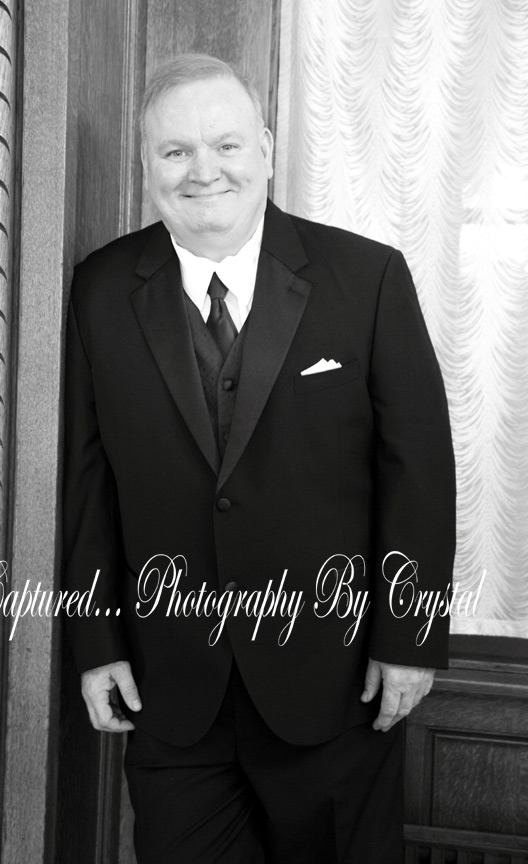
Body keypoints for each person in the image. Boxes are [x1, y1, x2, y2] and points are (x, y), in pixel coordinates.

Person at [63, 53, 456, 863]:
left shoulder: (367, 278)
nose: (203, 170)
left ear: (267, 150)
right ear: (147, 164)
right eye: (176, 151)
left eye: (226, 145)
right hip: (173, 697)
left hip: (339, 687)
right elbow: (88, 482)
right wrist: (97, 643)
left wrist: (410, 637)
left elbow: (416, 468)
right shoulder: (99, 290)